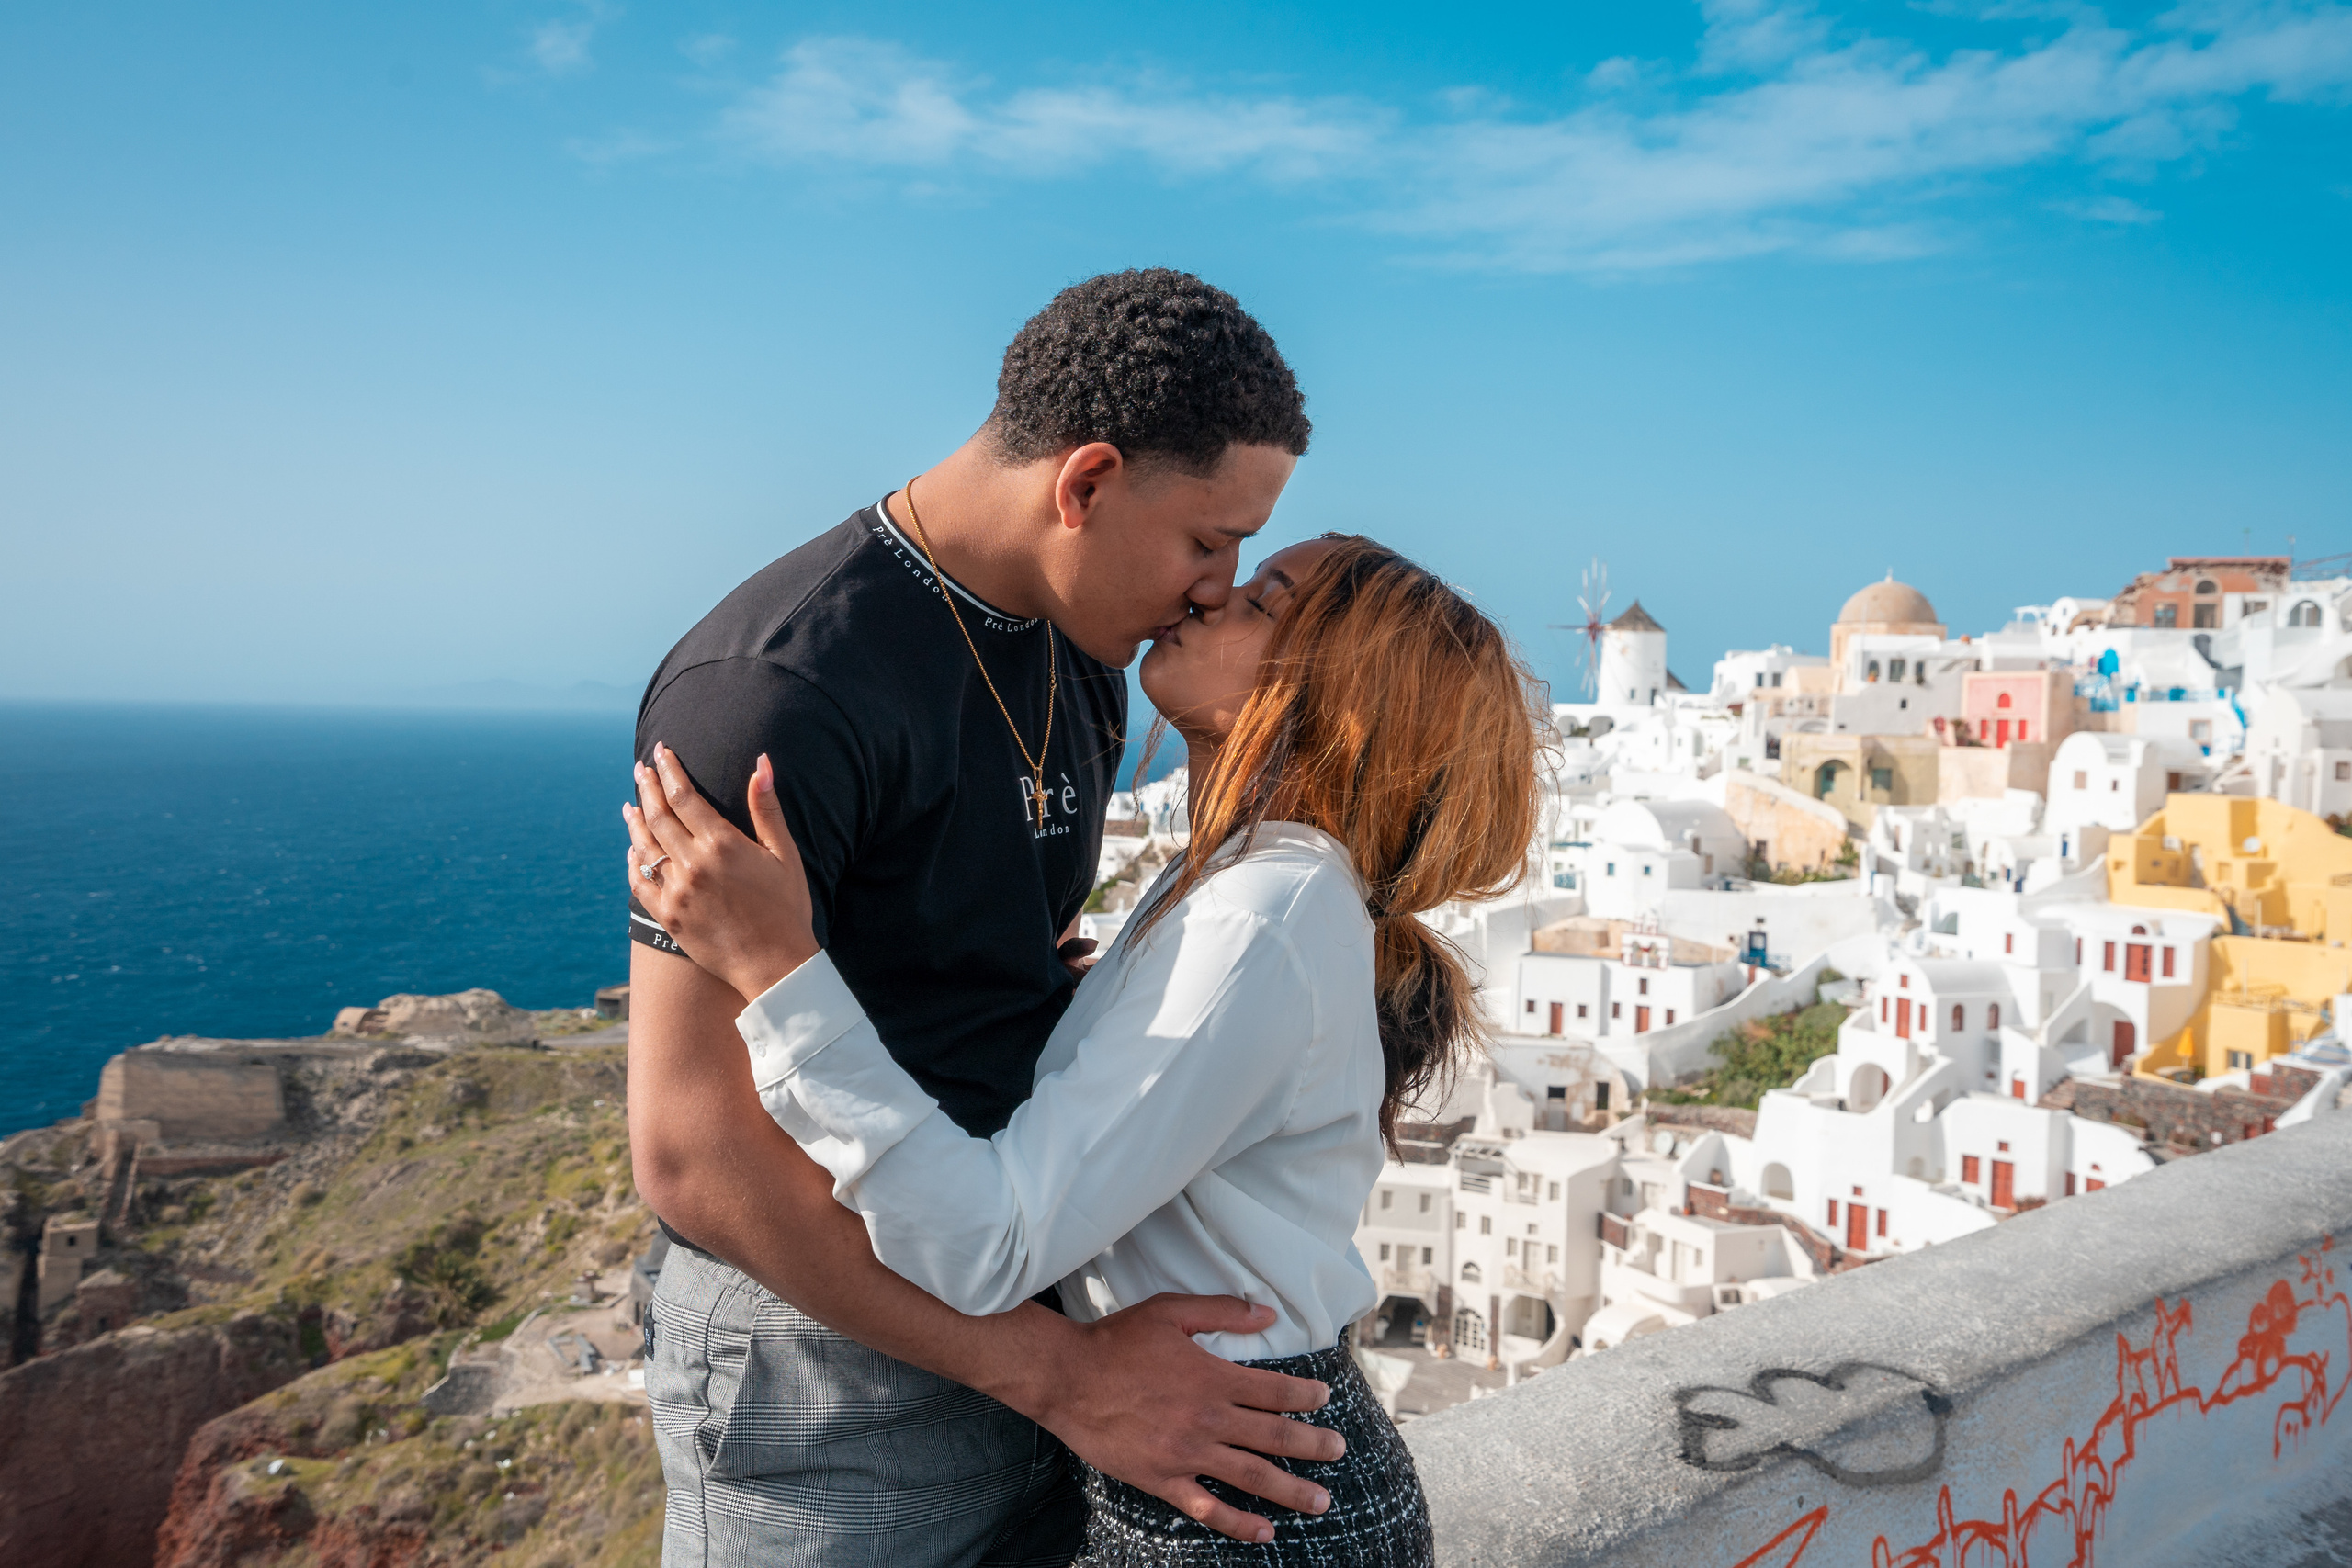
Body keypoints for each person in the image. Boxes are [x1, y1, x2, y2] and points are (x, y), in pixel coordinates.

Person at [627, 535, 1547, 1564]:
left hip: (1238, 1499)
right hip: (1231, 1462)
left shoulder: (1263, 912)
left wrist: (779, 972)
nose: (1208, 592)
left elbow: (990, 1246)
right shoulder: (1238, 883)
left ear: (1331, 694)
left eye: (1260, 598)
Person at [625, 269, 1338, 1568]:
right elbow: (690, 1150)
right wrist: (1061, 1375)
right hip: (830, 1357)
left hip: (1028, 1309)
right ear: (1087, 482)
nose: (1212, 588)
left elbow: (980, 961)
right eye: (1205, 540)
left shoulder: (1078, 644)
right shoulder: (777, 695)